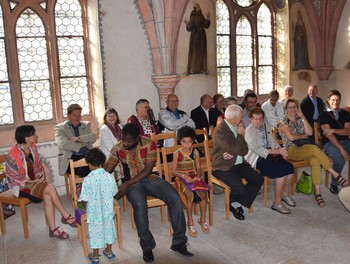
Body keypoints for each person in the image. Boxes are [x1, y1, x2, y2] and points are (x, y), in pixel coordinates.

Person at [104, 123, 193, 262]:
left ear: (137, 138)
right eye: (123, 140)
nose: (125, 144)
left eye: (129, 141)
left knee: (174, 197)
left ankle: (179, 242)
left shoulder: (148, 144)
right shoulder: (118, 148)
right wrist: (96, 176)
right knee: (140, 205)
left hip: (149, 178)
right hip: (133, 185)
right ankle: (147, 246)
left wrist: (125, 184)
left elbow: (147, 171)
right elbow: (107, 169)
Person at [6, 125, 77, 239]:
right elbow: (13, 177)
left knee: (48, 195)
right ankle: (65, 215)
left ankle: (53, 229)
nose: (36, 136)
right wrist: (33, 181)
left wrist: (40, 177)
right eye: (33, 134)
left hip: (35, 183)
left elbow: (37, 165)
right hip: (19, 187)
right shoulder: (12, 154)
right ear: (26, 138)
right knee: (50, 188)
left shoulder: (33, 148)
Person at [278, 98, 348, 207]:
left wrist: (304, 117)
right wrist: (302, 136)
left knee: (315, 160)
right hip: (291, 150)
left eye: (294, 107)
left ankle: (318, 193)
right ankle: (335, 174)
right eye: (290, 107)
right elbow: (291, 138)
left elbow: (310, 132)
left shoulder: (300, 119)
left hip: (304, 148)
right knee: (314, 149)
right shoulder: (282, 121)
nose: (292, 109)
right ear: (286, 109)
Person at [212, 105, 264, 220]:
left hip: (238, 162)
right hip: (223, 166)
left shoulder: (236, 126)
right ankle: (235, 204)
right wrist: (240, 136)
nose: (242, 119)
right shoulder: (221, 130)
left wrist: (235, 151)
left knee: (258, 179)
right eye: (241, 116)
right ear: (235, 118)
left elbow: (245, 150)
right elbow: (233, 149)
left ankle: (237, 202)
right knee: (240, 188)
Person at [245, 108, 295, 214]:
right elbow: (257, 149)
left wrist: (280, 151)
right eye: (256, 119)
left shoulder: (266, 126)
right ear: (251, 119)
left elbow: (273, 141)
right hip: (257, 158)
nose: (259, 121)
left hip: (271, 155)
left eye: (261, 119)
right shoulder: (249, 131)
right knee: (281, 172)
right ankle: (277, 203)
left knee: (290, 167)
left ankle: (285, 194)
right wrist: (275, 151)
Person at [79, 148, 118, 264]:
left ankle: (95, 256)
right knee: (109, 229)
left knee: (96, 232)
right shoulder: (109, 177)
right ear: (103, 162)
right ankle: (109, 251)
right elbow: (114, 192)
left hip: (94, 213)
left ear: (90, 164)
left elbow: (84, 199)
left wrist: (81, 202)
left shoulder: (87, 179)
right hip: (107, 212)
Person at [171, 126, 210, 237]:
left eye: (189, 142)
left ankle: (202, 219)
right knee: (189, 196)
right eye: (184, 142)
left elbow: (198, 168)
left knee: (203, 194)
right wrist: (183, 175)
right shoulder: (177, 153)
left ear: (193, 141)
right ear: (180, 141)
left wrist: (198, 176)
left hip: (193, 177)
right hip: (181, 178)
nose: (187, 145)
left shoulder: (195, 152)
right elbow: (173, 171)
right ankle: (190, 221)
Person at [319, 89, 350, 195]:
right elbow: (330, 136)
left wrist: (334, 130)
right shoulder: (323, 115)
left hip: (346, 141)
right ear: (328, 100)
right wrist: (342, 149)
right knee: (340, 159)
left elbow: (348, 131)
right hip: (329, 144)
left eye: (338, 100)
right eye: (333, 100)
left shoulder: (345, 113)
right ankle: (334, 183)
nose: (335, 102)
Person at [55, 104, 96, 177]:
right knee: (86, 169)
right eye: (74, 115)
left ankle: (84, 186)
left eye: (79, 115)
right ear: (68, 116)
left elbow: (93, 137)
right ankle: (81, 186)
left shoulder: (86, 125)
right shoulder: (60, 128)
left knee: (97, 167)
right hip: (70, 158)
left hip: (87, 156)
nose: (77, 117)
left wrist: (77, 139)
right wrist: (81, 145)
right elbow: (63, 144)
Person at [184, 3, 210, 74]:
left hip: (201, 36)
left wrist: (207, 18)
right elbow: (190, 28)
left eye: (199, 7)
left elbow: (206, 25)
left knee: (202, 52)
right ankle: (192, 69)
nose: (199, 9)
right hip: (195, 36)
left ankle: (202, 69)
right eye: (198, 8)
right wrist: (187, 24)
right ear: (195, 9)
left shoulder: (201, 16)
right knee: (194, 52)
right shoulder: (193, 17)